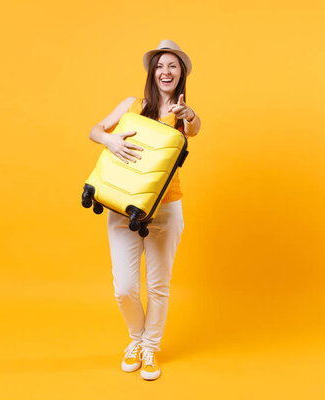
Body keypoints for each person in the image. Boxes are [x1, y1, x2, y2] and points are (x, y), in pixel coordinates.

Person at [88, 39, 200, 381]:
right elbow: (95, 130)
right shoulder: (131, 104)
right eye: (160, 65)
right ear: (152, 71)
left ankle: (150, 347)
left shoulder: (183, 113)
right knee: (124, 287)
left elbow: (195, 127)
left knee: (158, 285)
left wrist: (189, 114)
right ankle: (135, 339)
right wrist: (110, 140)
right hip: (124, 206)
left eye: (173, 66)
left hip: (166, 210)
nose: (166, 71)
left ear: (181, 74)